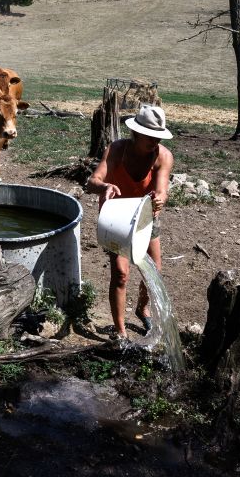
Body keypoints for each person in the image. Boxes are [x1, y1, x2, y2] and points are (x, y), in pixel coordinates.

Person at [87, 104, 174, 341]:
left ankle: (142, 309)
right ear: (135, 134)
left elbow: (162, 190)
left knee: (154, 271)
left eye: (158, 136)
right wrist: (104, 186)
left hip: (145, 216)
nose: (155, 141)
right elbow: (91, 182)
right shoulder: (117, 150)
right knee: (121, 273)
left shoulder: (163, 156)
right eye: (150, 136)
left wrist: (159, 199)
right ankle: (120, 332)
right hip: (117, 218)